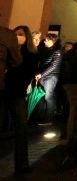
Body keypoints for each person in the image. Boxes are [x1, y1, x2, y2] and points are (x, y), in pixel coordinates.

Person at [5, 26, 35, 174]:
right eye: (15, 34)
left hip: (17, 93)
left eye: (21, 34)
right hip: (5, 91)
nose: (18, 36)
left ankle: (22, 164)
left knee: (22, 129)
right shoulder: (8, 51)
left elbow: (27, 72)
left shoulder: (30, 55)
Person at [59, 40, 77, 162]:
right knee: (76, 111)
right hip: (74, 83)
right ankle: (71, 139)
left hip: (66, 83)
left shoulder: (68, 55)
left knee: (71, 110)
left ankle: (68, 136)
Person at [35, 32, 62, 124]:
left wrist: (41, 74)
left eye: (46, 40)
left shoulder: (57, 51)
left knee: (48, 97)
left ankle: (49, 118)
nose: (44, 41)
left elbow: (54, 66)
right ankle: (41, 116)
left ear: (51, 40)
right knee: (40, 97)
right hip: (42, 76)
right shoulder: (44, 49)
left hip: (51, 76)